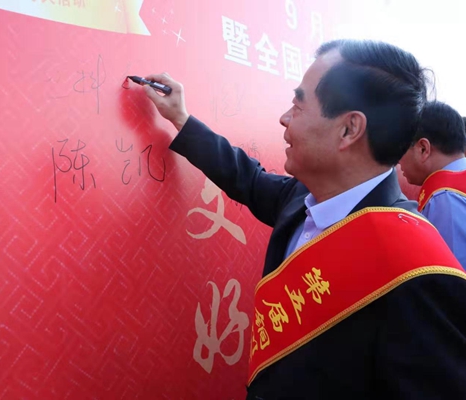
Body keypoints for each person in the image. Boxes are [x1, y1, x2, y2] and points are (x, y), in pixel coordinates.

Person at [138, 40, 466, 399]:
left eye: (298, 105)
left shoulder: (416, 270)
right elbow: (246, 178)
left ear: (349, 129)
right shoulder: (300, 198)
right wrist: (181, 119)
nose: (284, 118)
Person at [399, 101, 466, 266]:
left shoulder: (443, 197)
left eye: (401, 150)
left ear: (423, 149)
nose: (398, 161)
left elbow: (451, 275)